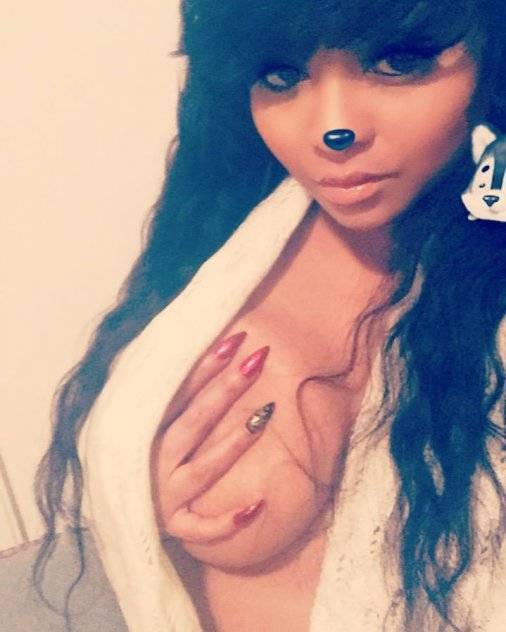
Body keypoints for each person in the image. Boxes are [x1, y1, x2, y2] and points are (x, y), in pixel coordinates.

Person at [2, 1, 506, 631]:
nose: (333, 130)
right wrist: (132, 482)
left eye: (398, 62)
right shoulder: (226, 236)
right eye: (281, 76)